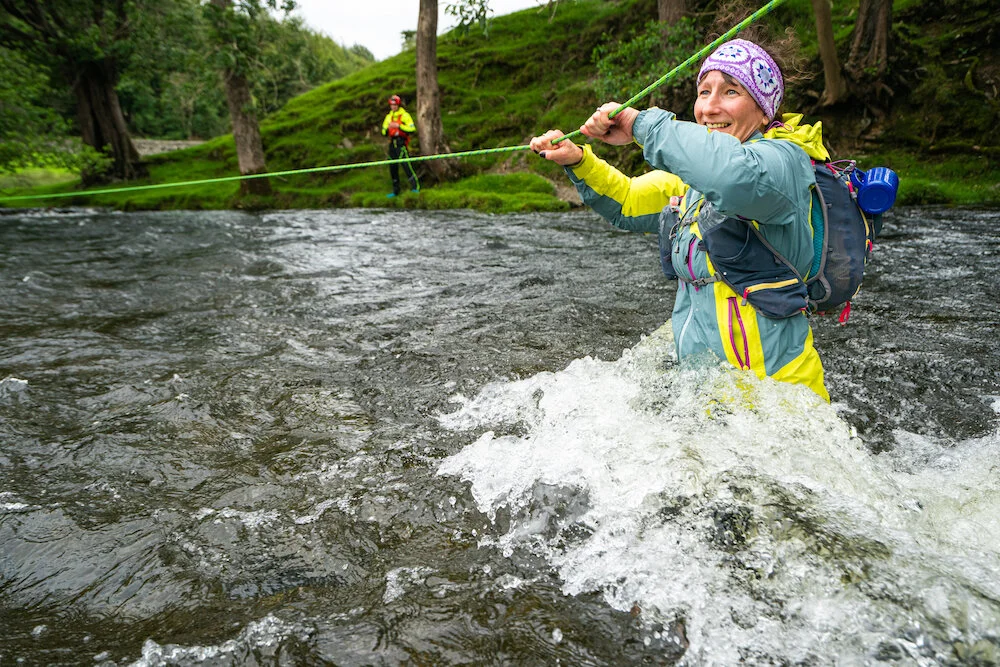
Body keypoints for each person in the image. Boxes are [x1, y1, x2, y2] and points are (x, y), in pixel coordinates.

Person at [529, 38, 830, 401]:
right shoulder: (692, 184)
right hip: (705, 397)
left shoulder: (785, 165)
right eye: (704, 92)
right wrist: (578, 161)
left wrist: (642, 125)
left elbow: (733, 177)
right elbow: (626, 201)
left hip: (780, 398)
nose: (710, 107)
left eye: (730, 92)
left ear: (765, 112)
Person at [381, 94, 419, 197]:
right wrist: (388, 129)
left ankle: (415, 188)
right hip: (392, 144)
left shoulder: (405, 115)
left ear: (398, 105)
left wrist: (399, 126)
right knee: (392, 167)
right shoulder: (388, 117)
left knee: (406, 165)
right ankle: (395, 191)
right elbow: (383, 131)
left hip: (401, 143)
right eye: (391, 105)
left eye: (395, 105)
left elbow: (412, 129)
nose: (393, 107)